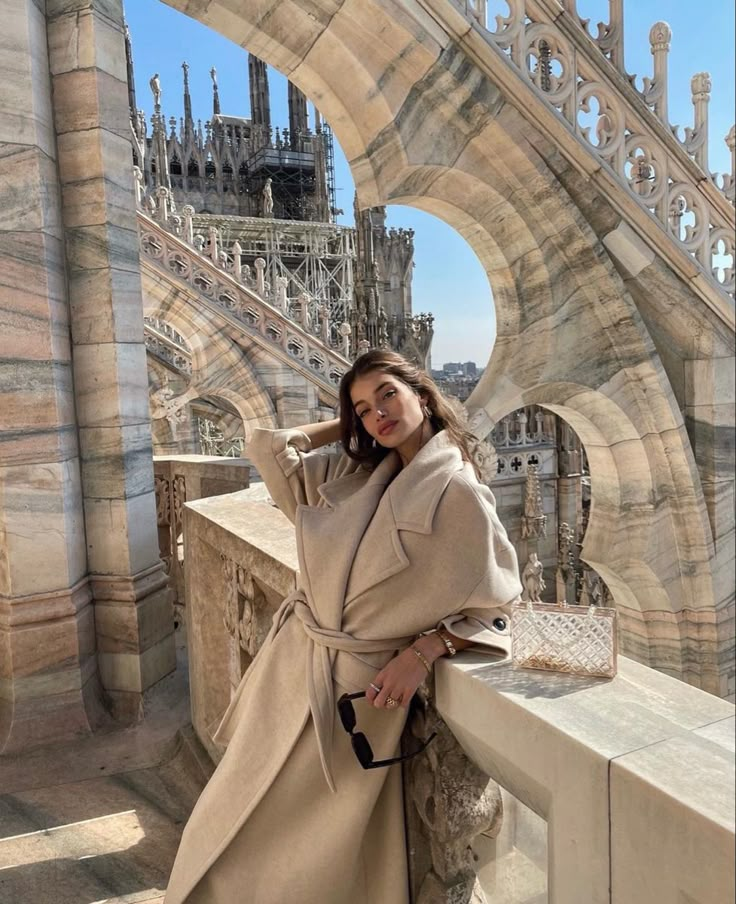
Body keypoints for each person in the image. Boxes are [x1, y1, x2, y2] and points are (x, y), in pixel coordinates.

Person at [164, 350, 522, 904]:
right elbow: (267, 446)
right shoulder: (354, 474)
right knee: (226, 821)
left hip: (356, 697)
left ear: (422, 395)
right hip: (293, 672)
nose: (378, 411)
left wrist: (422, 653)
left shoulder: (459, 494)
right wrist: (350, 423)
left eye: (388, 394)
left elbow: (499, 608)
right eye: (362, 407)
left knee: (302, 858)